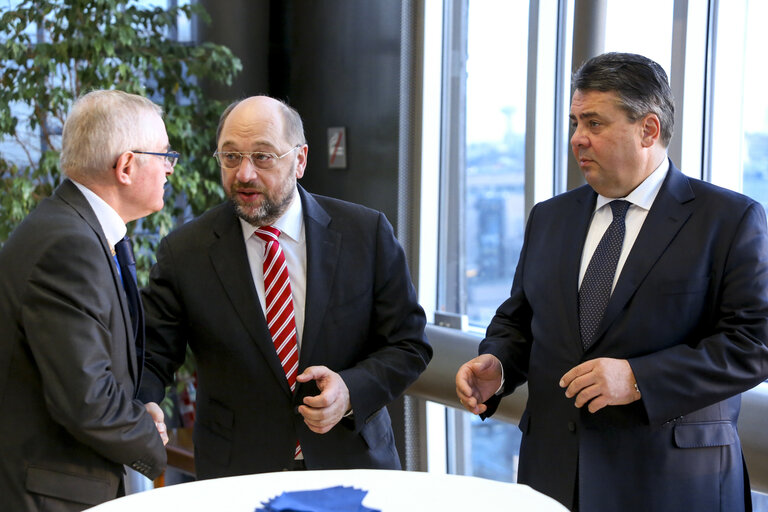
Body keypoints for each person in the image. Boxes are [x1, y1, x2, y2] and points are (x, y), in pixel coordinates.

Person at [455, 52, 768, 512]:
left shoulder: (729, 219)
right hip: (555, 477)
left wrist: (639, 379)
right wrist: (497, 364)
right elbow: (519, 319)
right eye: (575, 122)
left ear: (649, 129)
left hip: (672, 484)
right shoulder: (550, 217)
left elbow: (754, 344)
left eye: (595, 123)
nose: (577, 138)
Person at [139, 95, 432, 478]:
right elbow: (151, 354)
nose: (244, 174)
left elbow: (409, 344)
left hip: (353, 466)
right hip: (238, 474)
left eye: (263, 157)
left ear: (301, 159)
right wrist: (143, 403)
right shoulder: (185, 252)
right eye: (230, 157)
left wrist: (349, 391)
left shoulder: (366, 233)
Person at [0, 90, 174, 511]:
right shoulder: (70, 245)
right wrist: (150, 439)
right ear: (127, 166)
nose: (170, 169)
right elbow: (87, 400)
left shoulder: (72, 228)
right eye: (165, 155)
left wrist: (135, 411)